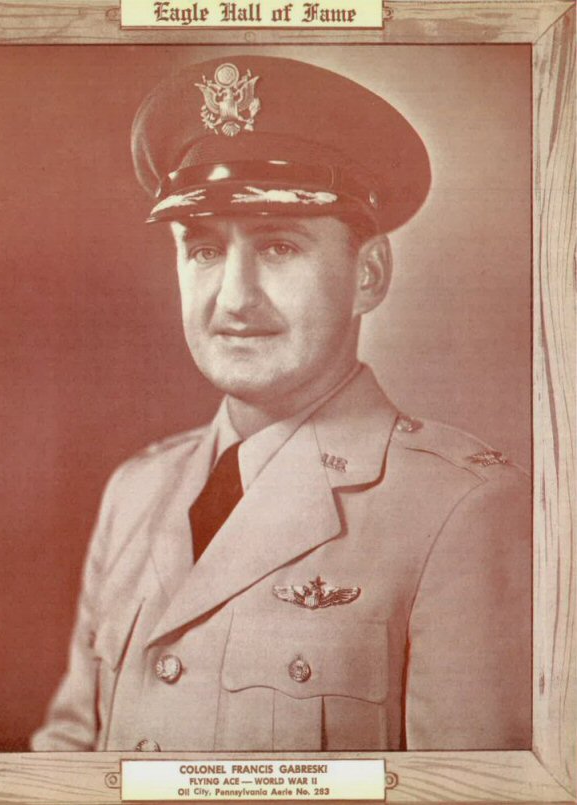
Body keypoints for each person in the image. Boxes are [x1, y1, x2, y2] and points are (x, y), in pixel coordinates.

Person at [31, 55, 531, 753]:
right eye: (204, 250)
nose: (234, 298)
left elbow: (470, 793)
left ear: (368, 275)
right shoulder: (135, 490)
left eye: (278, 246)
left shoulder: (461, 509)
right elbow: (65, 762)